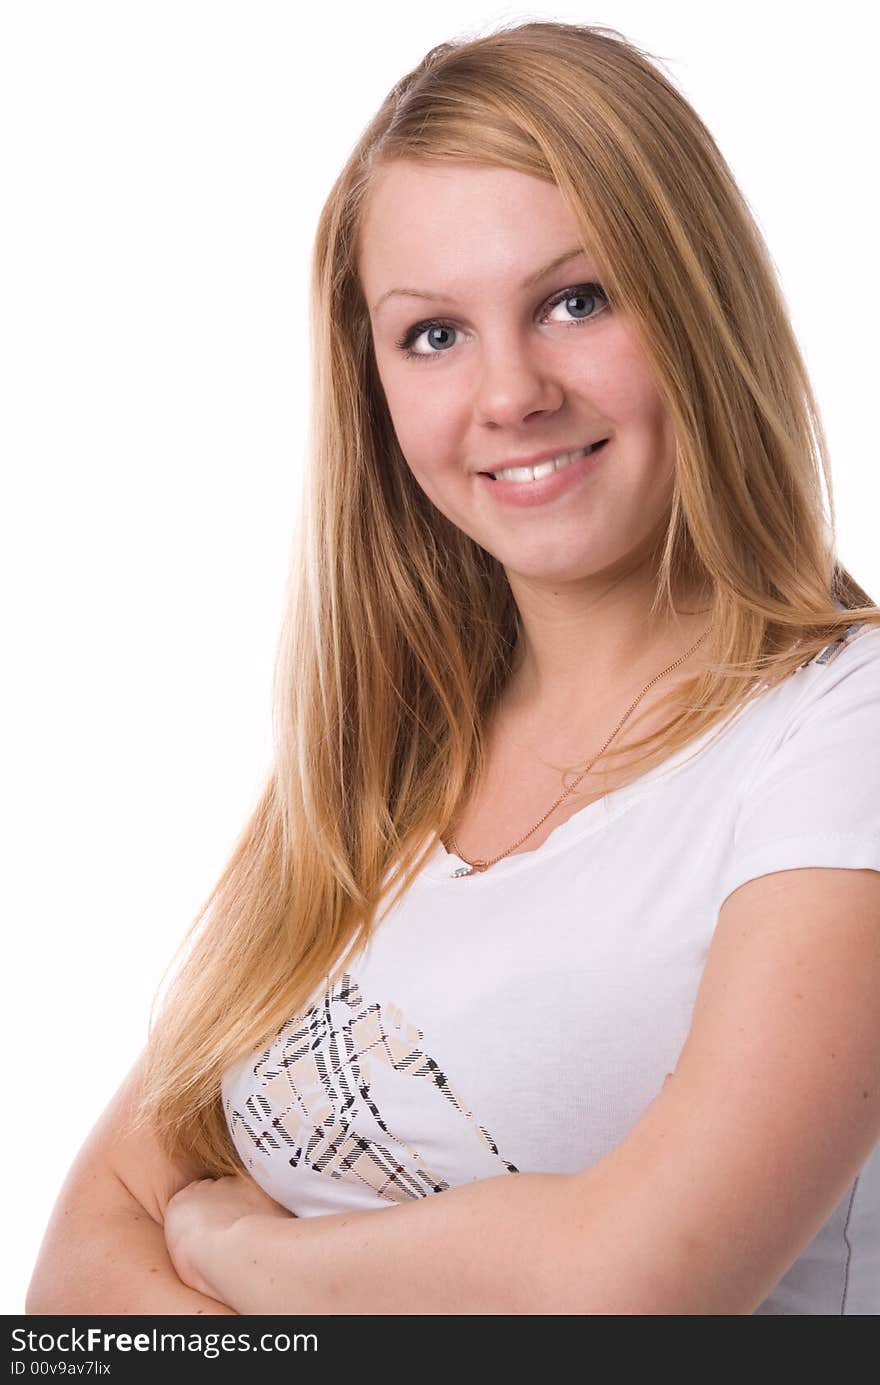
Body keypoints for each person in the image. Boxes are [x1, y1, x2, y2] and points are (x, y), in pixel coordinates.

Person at [28, 19, 880, 1317]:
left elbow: (625, 1289)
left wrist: (251, 1256)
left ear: (698, 304)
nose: (511, 393)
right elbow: (77, 1288)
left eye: (576, 300)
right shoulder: (379, 756)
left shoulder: (837, 731)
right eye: (433, 334)